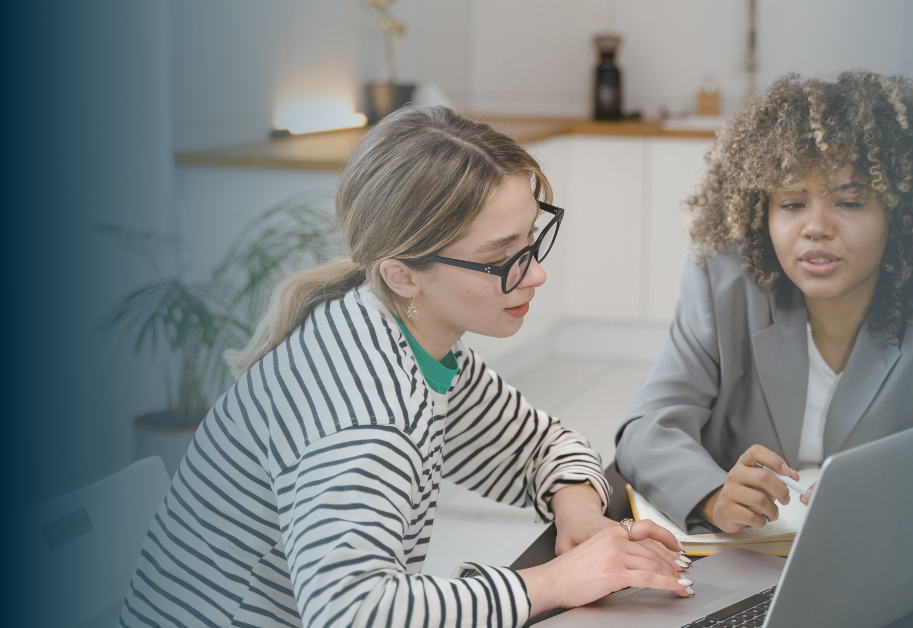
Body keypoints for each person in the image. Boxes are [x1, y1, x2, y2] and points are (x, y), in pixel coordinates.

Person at [118, 106, 694, 628]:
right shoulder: (365, 412)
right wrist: (553, 581)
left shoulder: (411, 340)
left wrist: (581, 516)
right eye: (501, 258)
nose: (535, 275)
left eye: (531, 241)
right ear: (402, 274)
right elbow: (354, 613)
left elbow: (542, 446)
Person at [614, 72, 913, 562]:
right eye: (791, 203)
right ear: (761, 212)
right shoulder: (723, 287)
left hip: (883, 575)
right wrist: (712, 495)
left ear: (900, 213)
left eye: (849, 201)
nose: (816, 228)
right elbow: (648, 427)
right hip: (740, 565)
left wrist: (902, 524)